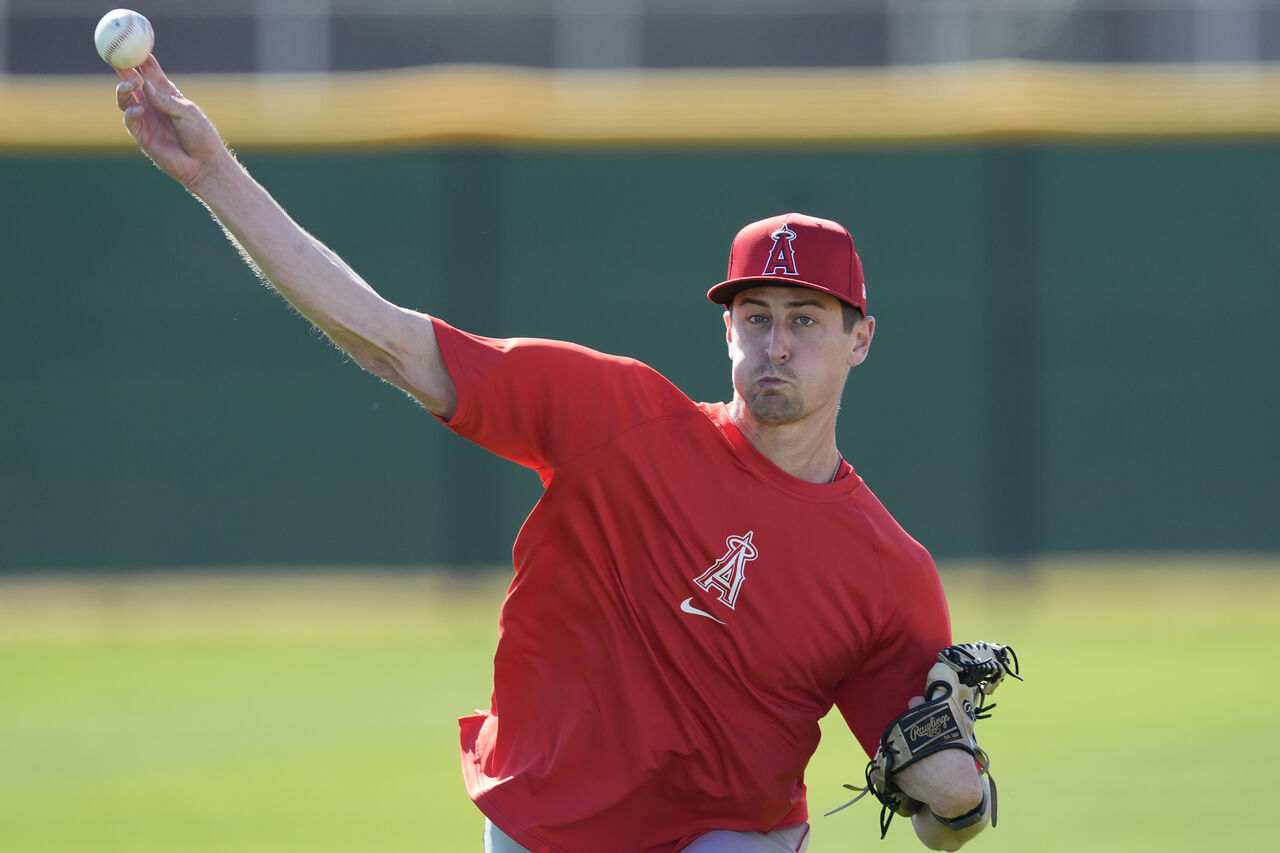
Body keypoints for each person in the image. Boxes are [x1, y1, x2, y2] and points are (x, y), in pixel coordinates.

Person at [113, 57, 991, 853]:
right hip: (544, 820)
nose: (777, 343)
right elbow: (390, 341)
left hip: (725, 835)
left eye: (806, 319)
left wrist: (964, 802)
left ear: (860, 339)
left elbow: (941, 811)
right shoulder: (617, 415)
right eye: (754, 316)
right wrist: (213, 174)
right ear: (727, 329)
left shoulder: (887, 572)